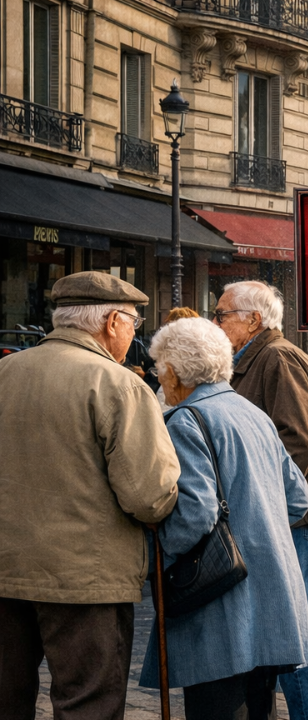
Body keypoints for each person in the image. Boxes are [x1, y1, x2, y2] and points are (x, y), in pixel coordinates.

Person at [0, 272, 180, 720]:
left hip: (5, 569)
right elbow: (149, 497)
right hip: (85, 582)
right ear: (111, 323)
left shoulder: (4, 373)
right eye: (134, 325)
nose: (132, 335)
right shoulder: (119, 385)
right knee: (88, 705)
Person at [140, 318, 308, 720]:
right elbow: (298, 499)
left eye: (159, 368)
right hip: (272, 593)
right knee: (259, 707)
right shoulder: (251, 413)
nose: (159, 378)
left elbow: (196, 511)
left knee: (217, 707)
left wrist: (157, 557)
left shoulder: (187, 419)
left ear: (175, 371)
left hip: (220, 598)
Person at [212, 280, 308, 719]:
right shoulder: (260, 357)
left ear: (253, 319)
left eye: (222, 314)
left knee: (296, 631)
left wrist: (261, 499)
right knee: (291, 630)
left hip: (292, 515)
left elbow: (298, 440)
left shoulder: (277, 357)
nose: (216, 322)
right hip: (287, 514)